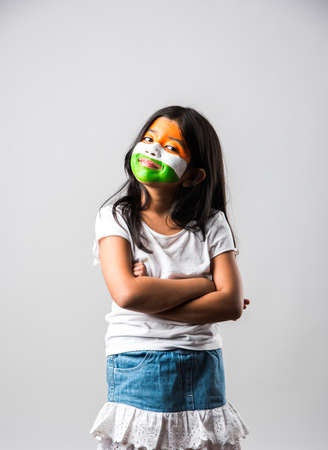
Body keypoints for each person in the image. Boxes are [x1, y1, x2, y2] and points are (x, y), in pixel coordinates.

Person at [89, 105, 251, 449]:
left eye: (171, 147)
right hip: (136, 359)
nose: (152, 148)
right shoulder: (115, 218)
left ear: (194, 176)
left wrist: (153, 296)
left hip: (202, 360)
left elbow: (232, 304)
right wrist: (206, 284)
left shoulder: (212, 223)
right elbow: (128, 295)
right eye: (149, 138)